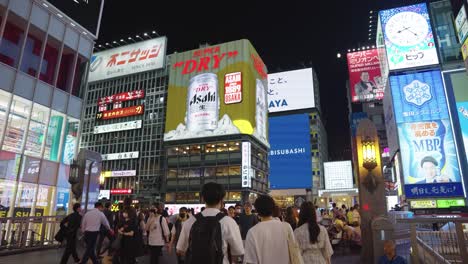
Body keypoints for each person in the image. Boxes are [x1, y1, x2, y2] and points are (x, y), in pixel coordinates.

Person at [176, 182, 243, 264]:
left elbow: (180, 250)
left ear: (202, 198)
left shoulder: (190, 221)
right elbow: (237, 253)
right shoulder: (229, 222)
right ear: (222, 200)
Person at [243, 195, 295, 264]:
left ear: (256, 210)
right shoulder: (286, 227)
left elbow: (250, 261)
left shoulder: (252, 232)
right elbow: (294, 252)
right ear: (273, 208)